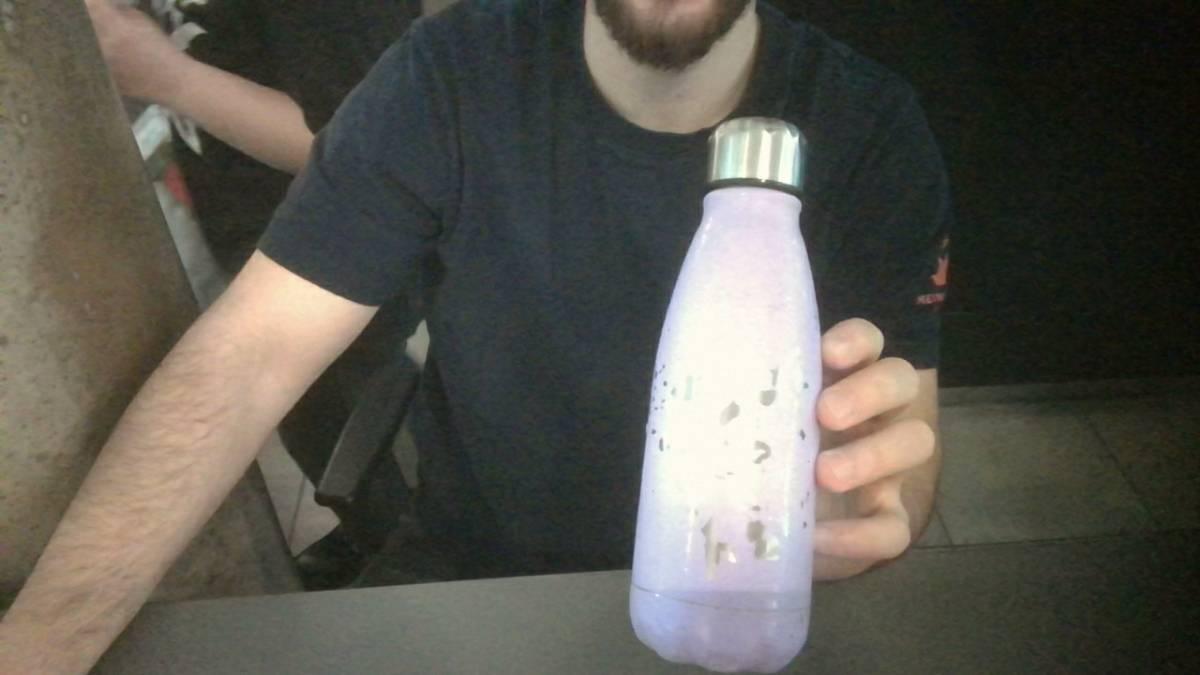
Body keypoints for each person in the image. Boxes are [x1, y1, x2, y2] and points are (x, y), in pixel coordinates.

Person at [0, 0, 948, 671]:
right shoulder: (449, 78)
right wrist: (38, 645)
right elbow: (245, 361)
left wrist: (874, 501)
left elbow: (903, 447)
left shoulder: (870, 128)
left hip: (748, 590)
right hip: (478, 574)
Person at [85, 0, 433, 588]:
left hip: (340, 261)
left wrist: (164, 74)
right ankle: (376, 534)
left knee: (354, 427)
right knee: (319, 426)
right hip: (259, 226)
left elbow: (373, 145)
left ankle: (414, 555)